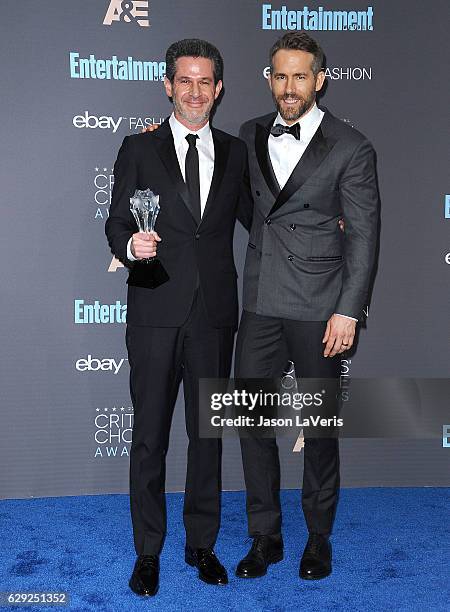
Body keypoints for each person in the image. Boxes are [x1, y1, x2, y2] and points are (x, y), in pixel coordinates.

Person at [105, 38, 252, 597]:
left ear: (218, 89)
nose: (195, 91)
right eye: (184, 81)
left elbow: (259, 222)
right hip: (154, 309)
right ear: (168, 86)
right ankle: (148, 551)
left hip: (214, 314)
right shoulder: (138, 149)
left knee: (207, 437)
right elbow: (117, 222)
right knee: (148, 437)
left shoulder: (237, 153)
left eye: (205, 82)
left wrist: (318, 230)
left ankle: (201, 543)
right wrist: (132, 245)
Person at [234, 32, 379, 581]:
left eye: (299, 76)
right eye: (279, 75)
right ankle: (264, 536)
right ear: (268, 78)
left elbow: (364, 237)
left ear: (320, 79)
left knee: (318, 427)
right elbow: (245, 204)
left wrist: (349, 310)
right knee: (251, 421)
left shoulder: (351, 145)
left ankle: (318, 537)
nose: (288, 87)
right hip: (262, 303)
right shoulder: (248, 133)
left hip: (322, 307)